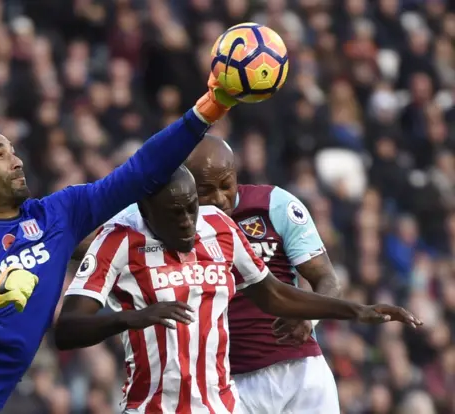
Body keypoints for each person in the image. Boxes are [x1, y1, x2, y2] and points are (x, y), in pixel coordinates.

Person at [0, 75, 237, 413]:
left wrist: (208, 108)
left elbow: (139, 171)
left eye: (13, 151)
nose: (16, 161)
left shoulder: (58, 216)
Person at [55, 166, 420, 414]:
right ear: (146, 213)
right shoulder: (118, 240)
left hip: (222, 405)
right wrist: (133, 318)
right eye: (174, 214)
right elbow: (68, 329)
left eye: (191, 209)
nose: (187, 223)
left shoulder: (217, 225)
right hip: (152, 406)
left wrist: (356, 310)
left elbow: (273, 294)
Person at [184, 135, 343, 412]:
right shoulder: (174, 228)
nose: (220, 198)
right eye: (206, 189)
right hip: (231, 384)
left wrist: (309, 317)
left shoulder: (274, 203)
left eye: (226, 185)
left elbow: (326, 279)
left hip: (302, 373)